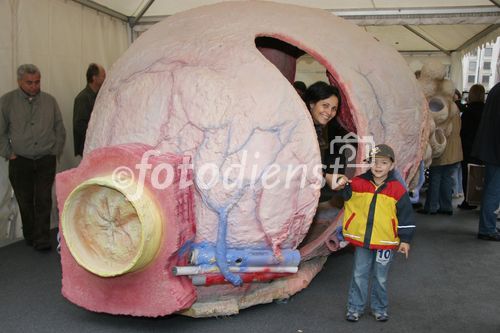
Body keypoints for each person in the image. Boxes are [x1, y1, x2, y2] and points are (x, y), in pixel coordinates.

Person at [341, 144, 415, 322]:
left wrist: (405, 240)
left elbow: (406, 216)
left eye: (383, 162)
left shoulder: (397, 189)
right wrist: (341, 184)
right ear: (369, 164)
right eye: (374, 162)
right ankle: (355, 307)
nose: (378, 166)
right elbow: (343, 196)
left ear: (391, 165)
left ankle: (379, 308)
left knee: (380, 277)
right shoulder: (358, 183)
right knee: (359, 274)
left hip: (385, 241)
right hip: (363, 240)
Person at [0, 64, 66, 250]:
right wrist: (9, 153)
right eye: (29, 83)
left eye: (37, 82)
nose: (34, 86)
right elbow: (1, 132)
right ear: (20, 81)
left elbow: (59, 127)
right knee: (25, 200)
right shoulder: (7, 102)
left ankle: (43, 238)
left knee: (44, 198)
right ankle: (30, 234)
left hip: (45, 158)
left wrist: (56, 150)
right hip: (20, 160)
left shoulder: (49, 101)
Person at [304, 81, 348, 197]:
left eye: (334, 108)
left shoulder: (317, 128)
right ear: (312, 103)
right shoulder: (300, 129)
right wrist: (326, 177)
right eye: (325, 105)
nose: (329, 112)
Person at [418, 102, 463, 215]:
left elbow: (436, 128)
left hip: (441, 148)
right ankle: (446, 207)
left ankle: (431, 207)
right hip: (454, 149)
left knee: (435, 178)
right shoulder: (455, 107)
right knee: (447, 179)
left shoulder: (439, 106)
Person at [472, 82, 500, 241]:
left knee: (492, 190)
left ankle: (488, 226)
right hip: (496, 152)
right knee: (493, 191)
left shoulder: (496, 89)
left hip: (492, 150)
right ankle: (487, 228)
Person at [458, 84, 485, 210]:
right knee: (483, 176)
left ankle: (469, 201)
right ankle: (480, 199)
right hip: (482, 149)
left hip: (469, 149)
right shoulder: (486, 111)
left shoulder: (468, 113)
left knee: (467, 175)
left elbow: (463, 132)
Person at [73, 63, 106, 156]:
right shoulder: (82, 98)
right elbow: (79, 125)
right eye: (103, 76)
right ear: (94, 78)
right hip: (88, 146)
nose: (105, 79)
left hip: (97, 145)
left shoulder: (100, 96)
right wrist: (96, 135)